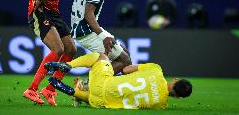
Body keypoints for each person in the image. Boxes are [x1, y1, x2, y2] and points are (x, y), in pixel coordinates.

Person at [21, 0, 80, 106]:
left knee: (71, 49)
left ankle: (49, 89)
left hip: (55, 12)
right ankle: (32, 89)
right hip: (38, 12)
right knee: (58, 48)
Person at [45, 52, 193, 109]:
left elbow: (125, 70)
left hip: (103, 84)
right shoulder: (160, 105)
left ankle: (68, 65)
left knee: (100, 57)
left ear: (175, 80)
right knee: (100, 97)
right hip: (100, 103)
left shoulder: (156, 69)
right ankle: (73, 92)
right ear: (178, 97)